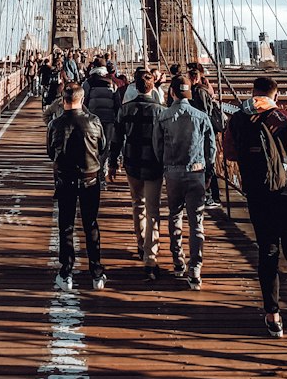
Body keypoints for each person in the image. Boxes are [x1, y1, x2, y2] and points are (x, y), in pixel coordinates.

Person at [223, 75, 287, 337]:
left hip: (258, 191)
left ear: (253, 93)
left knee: (268, 251)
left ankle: (273, 316)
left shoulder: (239, 118)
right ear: (276, 94)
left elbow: (229, 154)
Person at [152, 75, 216, 290]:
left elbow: (157, 146)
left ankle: (178, 260)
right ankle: (195, 269)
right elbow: (211, 149)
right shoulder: (202, 116)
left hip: (172, 174)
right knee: (197, 222)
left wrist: (164, 165)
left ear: (171, 93)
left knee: (174, 215)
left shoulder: (163, 116)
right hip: (196, 172)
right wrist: (209, 172)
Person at [47, 83, 107, 290]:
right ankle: (97, 273)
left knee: (66, 224)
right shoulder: (94, 121)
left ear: (63, 100)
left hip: (65, 181)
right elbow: (102, 147)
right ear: (82, 100)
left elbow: (50, 152)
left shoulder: (54, 125)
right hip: (90, 180)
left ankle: (66, 273)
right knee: (90, 223)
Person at [108, 71, 165, 281]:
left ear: (136, 87)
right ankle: (150, 259)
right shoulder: (161, 111)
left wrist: (113, 163)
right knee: (153, 210)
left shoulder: (125, 109)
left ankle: (141, 244)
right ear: (152, 88)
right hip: (154, 165)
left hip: (132, 163)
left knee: (137, 204)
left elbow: (116, 138)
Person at [187, 62, 225, 207]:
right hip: (204, 130)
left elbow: (204, 112)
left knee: (208, 162)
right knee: (206, 161)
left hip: (203, 131)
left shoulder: (198, 91)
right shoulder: (202, 89)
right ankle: (209, 193)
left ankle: (213, 196)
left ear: (193, 78)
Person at [82, 61, 118, 176]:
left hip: (92, 119)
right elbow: (117, 103)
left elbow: (84, 102)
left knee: (92, 145)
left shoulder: (88, 83)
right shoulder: (112, 83)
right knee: (106, 145)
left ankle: (93, 171)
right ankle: (102, 172)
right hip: (109, 118)